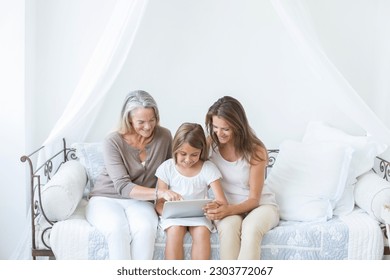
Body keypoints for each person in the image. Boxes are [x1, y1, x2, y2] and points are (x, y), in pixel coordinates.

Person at [85, 90, 181, 260]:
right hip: (106, 198)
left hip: (141, 201)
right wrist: (160, 193)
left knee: (145, 229)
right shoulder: (113, 141)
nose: (148, 126)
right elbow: (122, 187)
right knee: (117, 230)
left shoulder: (164, 136)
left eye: (152, 120)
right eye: (141, 122)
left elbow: (170, 170)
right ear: (129, 119)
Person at [204, 96, 279, 260]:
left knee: (250, 228)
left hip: (261, 206)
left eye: (225, 129)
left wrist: (228, 210)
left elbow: (254, 199)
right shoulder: (210, 144)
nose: (219, 133)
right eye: (215, 127)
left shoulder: (255, 150)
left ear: (238, 126)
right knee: (229, 229)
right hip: (228, 207)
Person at [154, 122, 228, 260]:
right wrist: (168, 212)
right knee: (174, 232)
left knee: (202, 233)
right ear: (175, 148)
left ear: (202, 151)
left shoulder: (208, 168)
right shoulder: (167, 168)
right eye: (183, 154)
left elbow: (221, 201)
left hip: (199, 216)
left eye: (194, 154)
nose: (188, 160)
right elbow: (159, 203)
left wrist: (214, 206)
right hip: (173, 218)